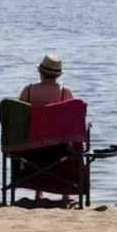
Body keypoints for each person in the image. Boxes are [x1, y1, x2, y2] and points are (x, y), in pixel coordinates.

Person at [18, 53, 74, 201]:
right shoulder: (65, 93)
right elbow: (71, 123)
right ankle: (66, 192)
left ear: (40, 71)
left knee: (38, 141)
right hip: (58, 149)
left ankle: (38, 191)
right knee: (69, 142)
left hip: (30, 148)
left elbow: (20, 120)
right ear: (58, 75)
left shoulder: (28, 91)